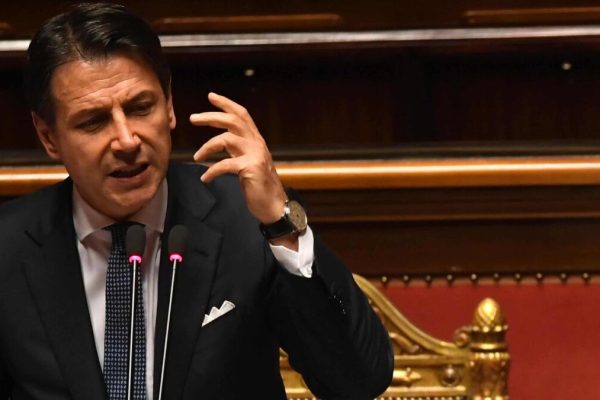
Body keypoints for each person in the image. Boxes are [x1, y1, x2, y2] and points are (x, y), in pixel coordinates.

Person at [0, 3, 393, 399]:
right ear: (48, 136)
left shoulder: (245, 221)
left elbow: (359, 381)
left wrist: (280, 221)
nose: (127, 140)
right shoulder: (9, 248)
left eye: (140, 108)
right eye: (93, 122)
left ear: (169, 105)